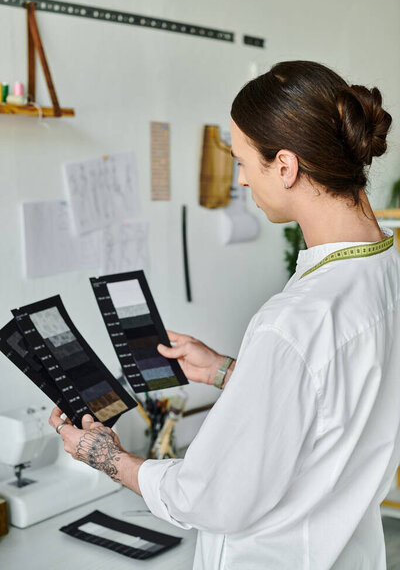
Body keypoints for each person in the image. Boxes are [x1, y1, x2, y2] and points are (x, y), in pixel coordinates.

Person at [49, 60, 400, 570]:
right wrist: (228, 371)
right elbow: (334, 402)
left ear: (284, 165)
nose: (239, 180)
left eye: (241, 161)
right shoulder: (386, 272)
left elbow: (205, 495)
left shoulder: (293, 323)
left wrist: (103, 454)